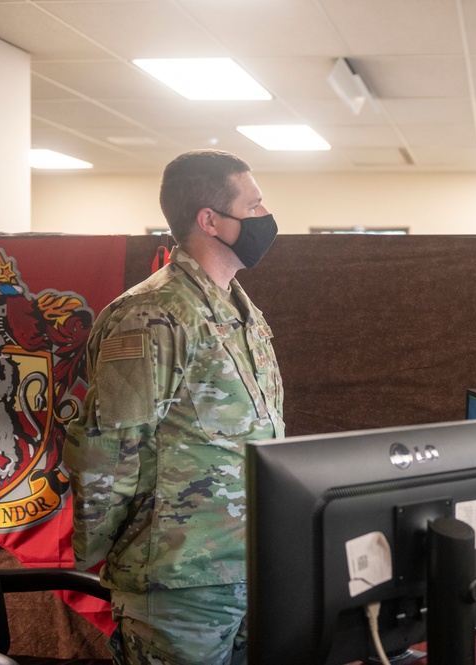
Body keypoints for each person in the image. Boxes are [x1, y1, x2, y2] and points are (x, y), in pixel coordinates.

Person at [63, 149, 284, 665]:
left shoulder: (239, 310)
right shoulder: (154, 315)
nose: (264, 217)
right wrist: (113, 556)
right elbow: (110, 451)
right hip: (177, 580)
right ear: (210, 220)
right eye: (253, 206)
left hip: (246, 567)